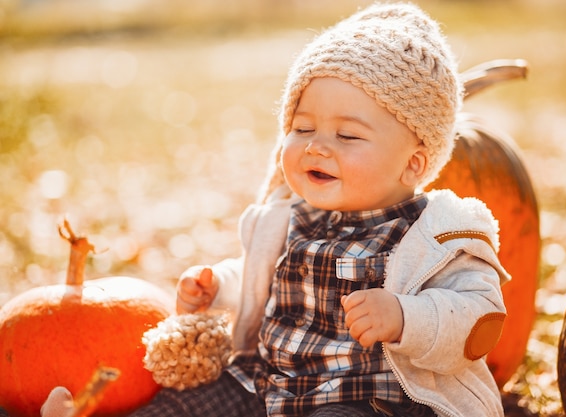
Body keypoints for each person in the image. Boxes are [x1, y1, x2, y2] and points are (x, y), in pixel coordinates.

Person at [41, 2, 510, 416]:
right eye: (302, 128)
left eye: (347, 136)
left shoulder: (438, 236)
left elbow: (478, 317)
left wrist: (407, 316)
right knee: (188, 403)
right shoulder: (289, 216)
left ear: (413, 163)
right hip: (265, 386)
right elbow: (258, 275)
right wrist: (217, 285)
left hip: (367, 399)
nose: (317, 148)